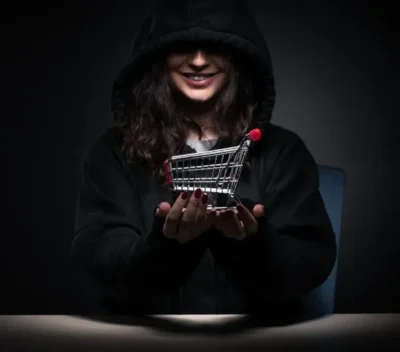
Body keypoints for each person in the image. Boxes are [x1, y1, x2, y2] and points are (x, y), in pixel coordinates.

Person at [71, 0, 337, 317]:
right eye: (183, 46)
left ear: (237, 55)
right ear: (157, 55)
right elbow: (102, 262)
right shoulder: (112, 154)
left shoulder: (282, 152)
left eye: (214, 46)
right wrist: (166, 247)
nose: (198, 61)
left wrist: (251, 244)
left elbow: (311, 261)